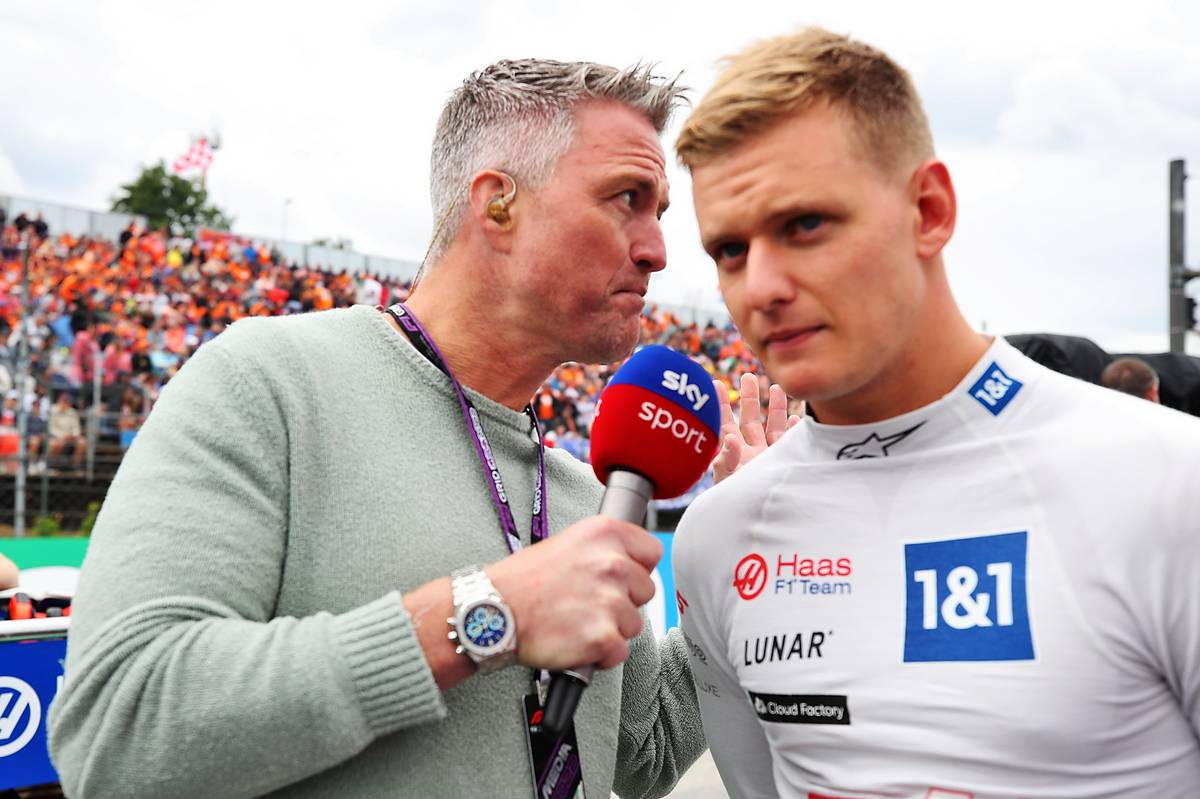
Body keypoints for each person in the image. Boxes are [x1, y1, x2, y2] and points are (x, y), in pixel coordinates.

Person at [48, 60, 705, 798]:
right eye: (627, 199)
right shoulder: (269, 382)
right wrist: (483, 613)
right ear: (497, 206)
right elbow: (118, 730)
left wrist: (740, 564)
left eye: (659, 213)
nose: (656, 249)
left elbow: (642, 754)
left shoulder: (583, 492)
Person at [672, 28, 1200, 797]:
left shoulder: (1170, 482)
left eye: (804, 225)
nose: (760, 286)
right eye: (728, 250)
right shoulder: (718, 537)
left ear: (929, 209)